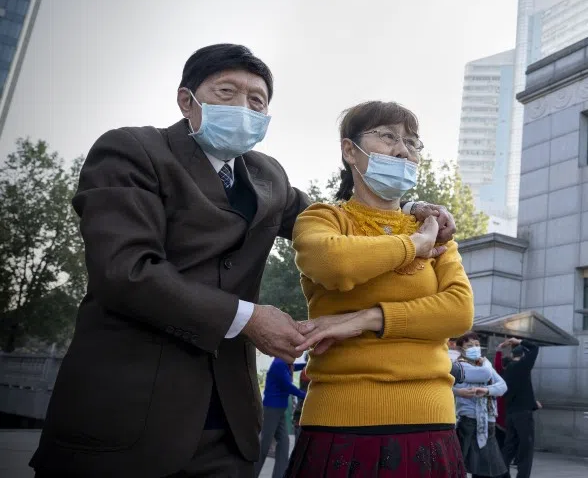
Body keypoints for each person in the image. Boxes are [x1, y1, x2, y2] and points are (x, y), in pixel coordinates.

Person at [28, 45, 456, 478]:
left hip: (229, 424)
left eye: (257, 101)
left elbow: (341, 223)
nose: (243, 107)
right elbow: (125, 272)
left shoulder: (268, 176)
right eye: (227, 92)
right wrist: (247, 318)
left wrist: (416, 208)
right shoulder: (133, 150)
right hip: (126, 415)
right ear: (186, 100)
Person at [284, 101, 474, 477]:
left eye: (413, 143)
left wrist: (367, 318)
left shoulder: (436, 229)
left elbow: (458, 311)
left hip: (430, 420)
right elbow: (335, 264)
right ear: (349, 150)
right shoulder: (324, 218)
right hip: (338, 423)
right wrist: (414, 247)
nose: (403, 150)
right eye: (388, 137)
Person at [454, 332, 508, 478]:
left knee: (486, 469)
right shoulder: (459, 366)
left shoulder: (485, 366)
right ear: (461, 349)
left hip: (488, 422)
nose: (475, 348)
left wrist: (486, 390)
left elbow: (502, 386)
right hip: (468, 421)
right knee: (460, 466)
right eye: (469, 345)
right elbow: (446, 387)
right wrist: (459, 392)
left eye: (477, 345)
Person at [255, 358, 306, 477]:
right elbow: (287, 386)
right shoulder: (279, 363)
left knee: (284, 443)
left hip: (280, 409)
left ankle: (279, 475)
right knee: (264, 445)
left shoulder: (286, 364)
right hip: (271, 409)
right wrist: (306, 395)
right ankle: (251, 473)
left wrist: (307, 364)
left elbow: (295, 366)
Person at [498, 337, 539, 478]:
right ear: (522, 356)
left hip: (510, 414)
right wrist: (519, 341)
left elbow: (520, 390)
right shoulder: (522, 366)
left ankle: (503, 474)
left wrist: (533, 401)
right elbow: (534, 348)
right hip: (523, 414)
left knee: (509, 446)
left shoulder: (506, 371)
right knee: (526, 449)